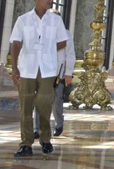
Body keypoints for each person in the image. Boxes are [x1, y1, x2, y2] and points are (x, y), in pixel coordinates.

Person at [10, 0, 68, 157]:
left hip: (47, 69)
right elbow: (15, 44)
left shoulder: (56, 21)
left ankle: (45, 139)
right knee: (25, 107)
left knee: (44, 105)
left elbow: (63, 41)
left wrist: (48, 50)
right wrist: (14, 68)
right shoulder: (23, 20)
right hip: (27, 68)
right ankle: (25, 144)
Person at [32, 8, 75, 138]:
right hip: (42, 72)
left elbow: (70, 55)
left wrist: (68, 73)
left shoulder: (66, 34)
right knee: (39, 100)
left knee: (56, 100)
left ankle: (58, 124)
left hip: (58, 73)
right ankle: (36, 128)